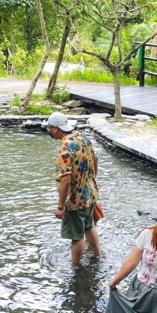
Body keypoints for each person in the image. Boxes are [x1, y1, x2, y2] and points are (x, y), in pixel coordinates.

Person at [44, 111, 101, 266]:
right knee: (89, 226)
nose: (49, 131)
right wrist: (91, 180)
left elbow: (66, 181)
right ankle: (97, 255)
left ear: (55, 129)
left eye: (49, 128)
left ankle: (75, 267)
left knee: (76, 236)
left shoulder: (65, 149)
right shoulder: (83, 137)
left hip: (76, 200)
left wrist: (60, 207)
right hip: (90, 193)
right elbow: (95, 159)